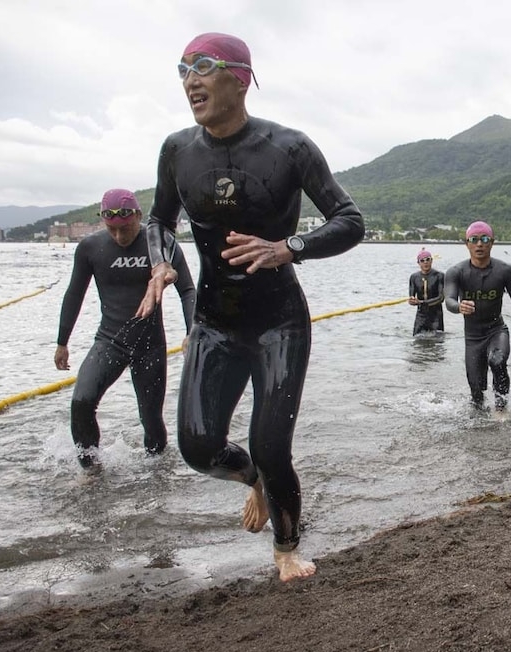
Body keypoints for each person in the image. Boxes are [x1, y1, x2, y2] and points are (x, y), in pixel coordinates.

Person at [134, 32, 365, 582]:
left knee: (270, 443)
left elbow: (350, 221)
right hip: (214, 321)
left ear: (239, 78)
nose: (190, 80)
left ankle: (287, 550)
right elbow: (159, 222)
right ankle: (253, 481)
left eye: (204, 67)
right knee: (196, 447)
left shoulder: (289, 148)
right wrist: (162, 260)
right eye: (183, 69)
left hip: (278, 321)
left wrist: (288, 247)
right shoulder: (176, 151)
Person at [55, 189, 195, 469]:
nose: (119, 237)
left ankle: (157, 478)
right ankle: (91, 472)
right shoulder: (90, 248)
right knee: (81, 402)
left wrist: (192, 332)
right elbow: (74, 294)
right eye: (112, 230)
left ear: (139, 217)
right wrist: (62, 342)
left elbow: (188, 290)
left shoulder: (161, 244)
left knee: (151, 419)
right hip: (110, 341)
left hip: (150, 345)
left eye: (126, 229)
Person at [444, 221, 511, 410]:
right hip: (473, 336)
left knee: (497, 360)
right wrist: (459, 307)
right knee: (476, 392)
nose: (479, 244)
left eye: (484, 239)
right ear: (466, 243)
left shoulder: (505, 271)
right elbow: (449, 300)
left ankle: (501, 408)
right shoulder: (456, 272)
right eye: (474, 240)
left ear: (492, 242)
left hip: (496, 330)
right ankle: (481, 431)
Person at [408, 248, 445, 335]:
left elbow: (441, 298)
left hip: (436, 315)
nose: (425, 262)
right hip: (421, 315)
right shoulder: (414, 277)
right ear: (418, 263)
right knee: (417, 340)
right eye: (422, 260)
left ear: (431, 260)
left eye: (428, 259)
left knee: (437, 341)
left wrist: (421, 302)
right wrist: (412, 301)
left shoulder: (439, 276)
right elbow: (412, 297)